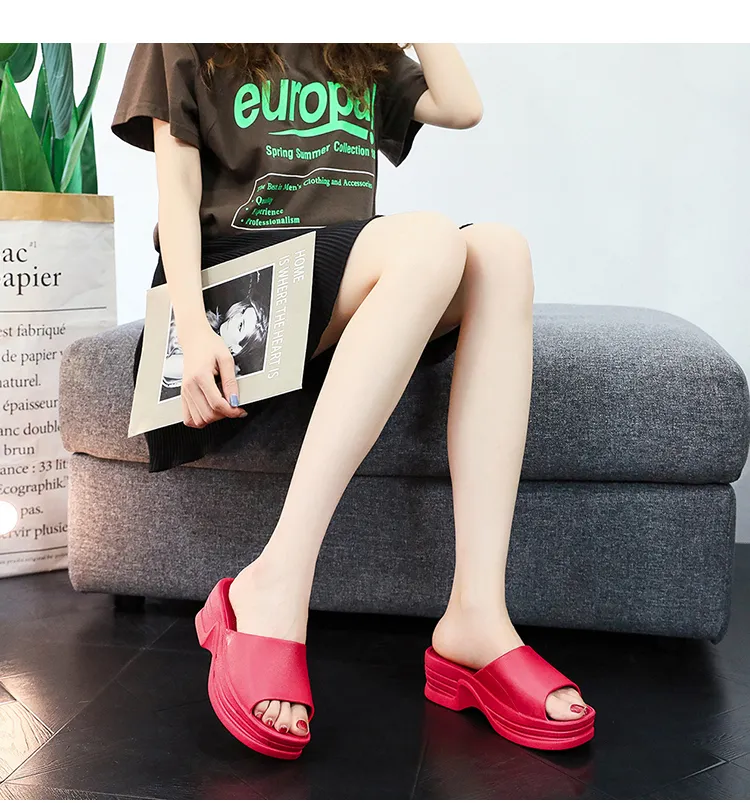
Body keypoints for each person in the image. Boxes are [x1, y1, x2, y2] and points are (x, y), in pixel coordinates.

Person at [112, 42, 594, 760]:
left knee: (502, 252)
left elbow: (462, 105)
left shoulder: (354, 48)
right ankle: (272, 584)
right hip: (227, 307)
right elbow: (176, 191)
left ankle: (477, 615)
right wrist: (191, 323)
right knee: (429, 238)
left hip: (324, 301)